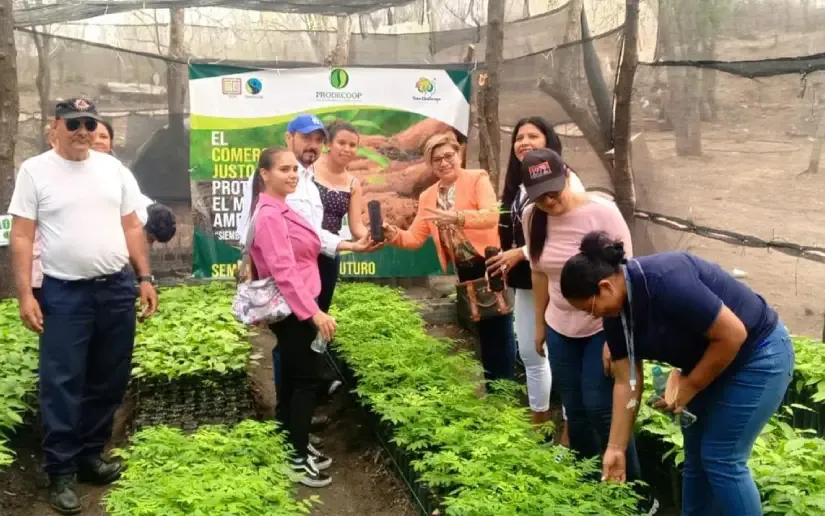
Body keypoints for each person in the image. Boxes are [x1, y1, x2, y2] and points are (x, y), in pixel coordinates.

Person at [560, 232, 794, 515]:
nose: (592, 316)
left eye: (590, 308)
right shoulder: (616, 317)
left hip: (758, 356)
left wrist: (690, 385)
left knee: (721, 458)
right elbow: (626, 382)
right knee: (695, 458)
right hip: (709, 363)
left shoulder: (667, 280)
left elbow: (733, 334)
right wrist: (616, 448)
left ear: (605, 287)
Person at [8, 98, 158, 515]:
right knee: (62, 381)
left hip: (116, 289)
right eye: (73, 123)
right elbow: (22, 235)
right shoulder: (35, 171)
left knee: (109, 377)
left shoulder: (113, 169)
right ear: (54, 126)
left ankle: (91, 455)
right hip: (65, 293)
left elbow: (132, 225)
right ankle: (61, 471)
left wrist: (144, 277)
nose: (82, 131)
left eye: (89, 124)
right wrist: (25, 294)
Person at [521, 148, 644, 487]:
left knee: (600, 407)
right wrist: (539, 324)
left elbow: (626, 279)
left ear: (566, 176)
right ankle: (587, 485)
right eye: (539, 196)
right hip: (560, 326)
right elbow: (539, 272)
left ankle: (633, 492)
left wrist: (614, 338)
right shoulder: (532, 217)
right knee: (574, 409)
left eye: (553, 191)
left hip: (600, 326)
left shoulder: (603, 213)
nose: (548, 201)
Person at [383, 132, 516, 384]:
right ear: (430, 164)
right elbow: (414, 238)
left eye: (448, 156)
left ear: (459, 154)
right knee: (481, 332)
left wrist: (457, 217)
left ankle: (506, 389)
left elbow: (491, 216)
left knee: (500, 328)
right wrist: (393, 234)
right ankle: (493, 390)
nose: (444, 163)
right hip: (464, 270)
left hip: (489, 263)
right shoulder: (428, 196)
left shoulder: (477, 178)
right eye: (437, 160)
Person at [487, 116, 585, 431]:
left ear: (549, 142)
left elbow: (571, 235)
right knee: (531, 352)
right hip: (527, 281)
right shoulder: (516, 186)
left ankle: (571, 430)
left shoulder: (567, 178)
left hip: (561, 280)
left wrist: (521, 253)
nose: (524, 142)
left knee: (563, 355)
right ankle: (539, 423)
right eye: (519, 137)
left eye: (533, 136)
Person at [246, 147, 336, 488]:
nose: (293, 175)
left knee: (298, 380)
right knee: (305, 382)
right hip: (294, 310)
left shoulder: (278, 208)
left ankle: (293, 447)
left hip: (297, 306)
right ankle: (297, 460)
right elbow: (283, 271)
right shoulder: (270, 215)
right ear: (264, 174)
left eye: (295, 169)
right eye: (284, 169)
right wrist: (313, 313)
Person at [312, 120, 370, 313]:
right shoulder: (308, 171)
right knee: (299, 308)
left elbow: (356, 226)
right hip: (302, 248)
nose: (347, 149)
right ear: (328, 144)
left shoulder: (353, 183)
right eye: (342, 143)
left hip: (330, 251)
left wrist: (372, 237)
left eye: (352, 145)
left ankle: (319, 334)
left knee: (322, 308)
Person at [91, 116, 176, 245]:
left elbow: (134, 200)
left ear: (110, 143)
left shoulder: (120, 172)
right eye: (92, 136)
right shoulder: (67, 170)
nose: (97, 141)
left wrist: (157, 216)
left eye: (103, 137)